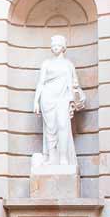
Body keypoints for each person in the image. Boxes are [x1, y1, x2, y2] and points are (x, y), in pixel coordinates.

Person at [33, 33, 86, 167]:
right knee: (50, 129)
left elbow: (75, 83)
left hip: (63, 98)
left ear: (63, 47)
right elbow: (41, 83)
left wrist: (75, 96)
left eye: (58, 45)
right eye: (53, 45)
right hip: (47, 98)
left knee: (63, 126)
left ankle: (63, 158)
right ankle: (52, 158)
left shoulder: (68, 64)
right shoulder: (46, 63)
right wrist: (36, 101)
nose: (55, 47)